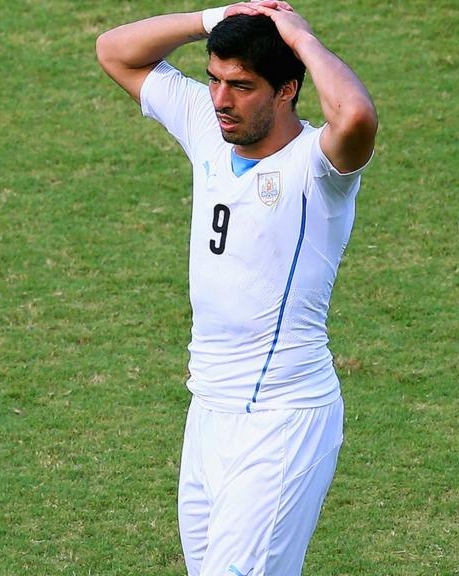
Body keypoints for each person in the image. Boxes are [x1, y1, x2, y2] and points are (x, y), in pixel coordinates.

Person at [96, 2, 378, 575]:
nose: (222, 100)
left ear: (287, 90)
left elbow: (355, 117)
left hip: (281, 418)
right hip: (209, 408)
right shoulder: (207, 123)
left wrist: (299, 36)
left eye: (242, 86)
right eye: (215, 80)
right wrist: (213, 16)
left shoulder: (318, 167)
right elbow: (114, 51)